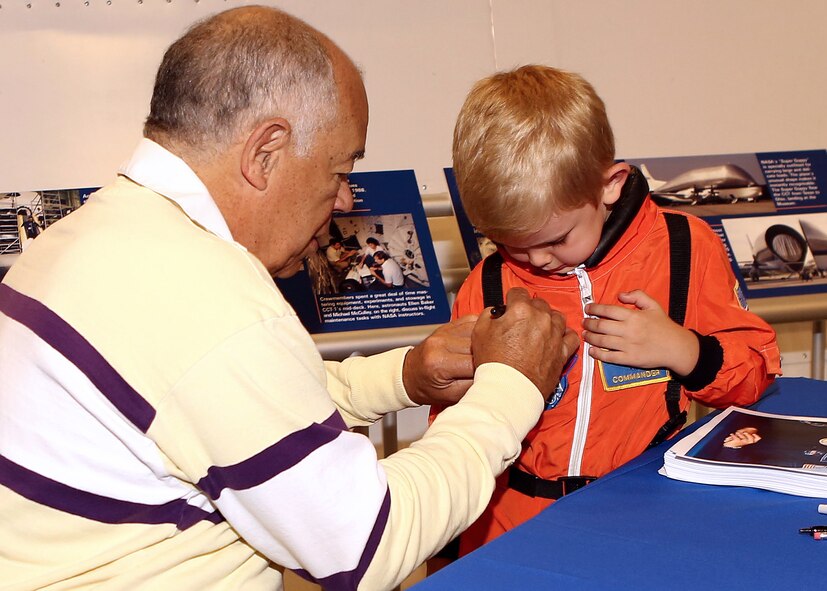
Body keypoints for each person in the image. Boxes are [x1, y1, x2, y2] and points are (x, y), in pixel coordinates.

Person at [0, 12, 579, 591]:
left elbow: (240, 406)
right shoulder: (209, 299)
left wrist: (408, 375)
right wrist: (512, 385)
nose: (346, 194)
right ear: (266, 151)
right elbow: (367, 546)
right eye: (340, 168)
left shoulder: (95, 236)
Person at [430, 64, 781, 560]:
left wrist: (682, 349)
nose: (535, 261)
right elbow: (453, 428)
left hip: (644, 515)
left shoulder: (683, 249)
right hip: (510, 527)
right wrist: (444, 552)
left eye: (554, 239)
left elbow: (754, 373)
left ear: (610, 185)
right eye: (509, 243)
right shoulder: (488, 282)